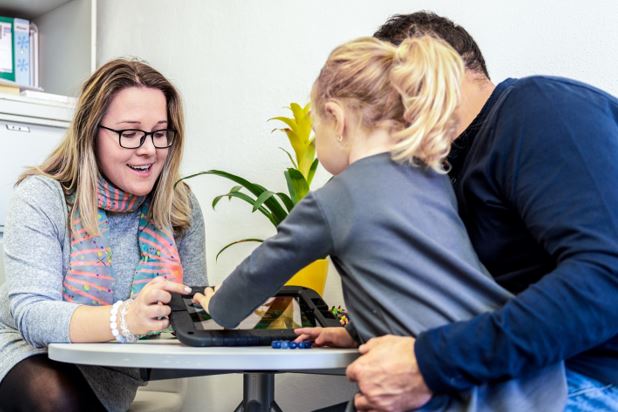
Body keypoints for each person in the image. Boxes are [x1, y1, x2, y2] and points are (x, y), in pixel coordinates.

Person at [194, 35, 566, 411]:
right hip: (517, 381)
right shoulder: (433, 178)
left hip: (441, 394)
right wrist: (353, 331)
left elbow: (261, 270)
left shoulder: (337, 198)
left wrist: (218, 306)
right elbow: (427, 283)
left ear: (337, 119)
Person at [339, 11, 618, 411]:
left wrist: (428, 363)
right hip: (533, 375)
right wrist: (358, 330)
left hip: (593, 377)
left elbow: (608, 276)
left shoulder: (537, 109)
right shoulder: (448, 168)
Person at [0, 58, 207, 411]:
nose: (149, 149)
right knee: (54, 400)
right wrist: (126, 318)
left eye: (160, 133)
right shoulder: (42, 196)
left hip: (112, 371)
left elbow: (193, 311)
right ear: (90, 132)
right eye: (129, 133)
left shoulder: (179, 205)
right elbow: (32, 314)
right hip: (26, 352)